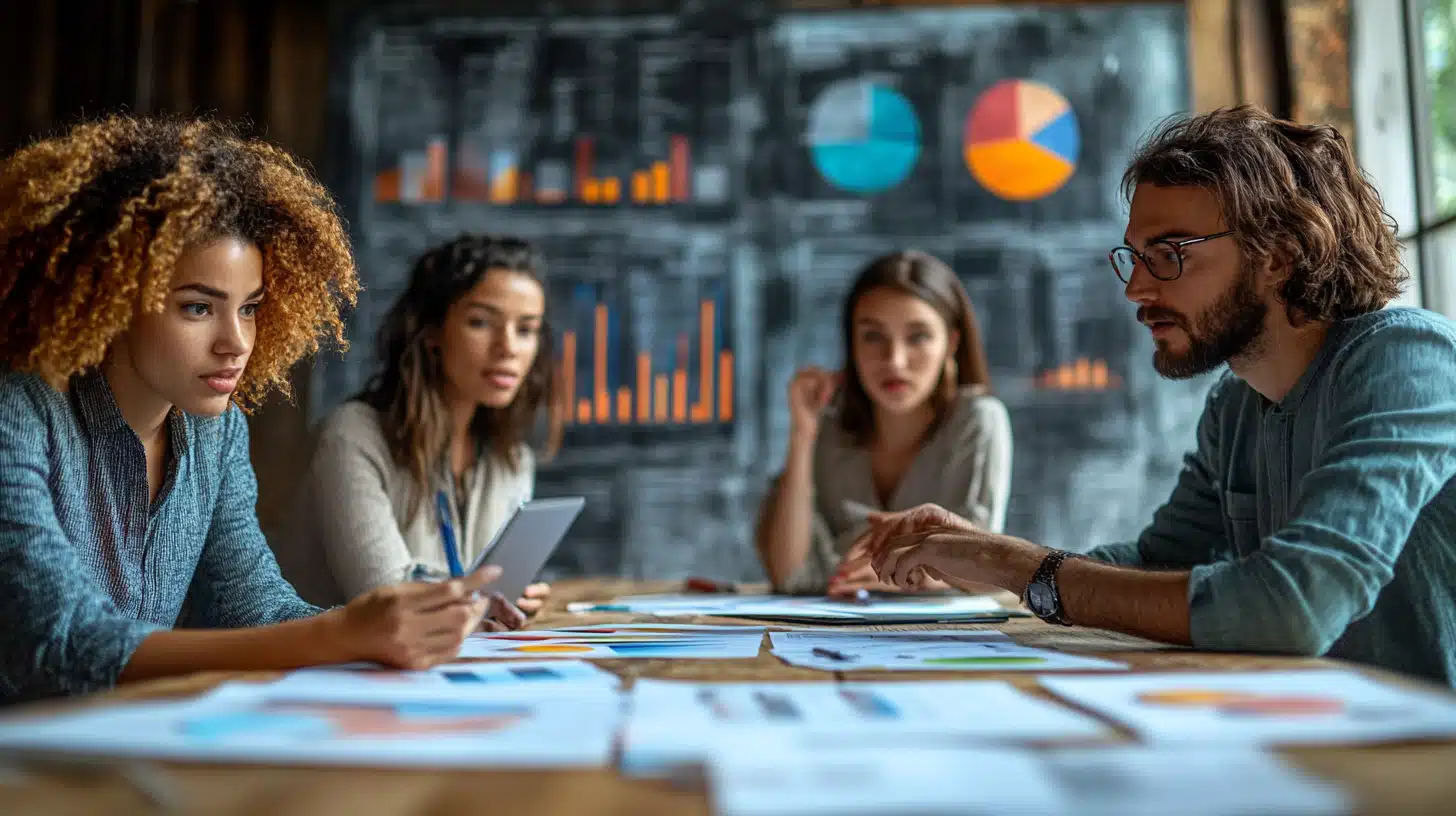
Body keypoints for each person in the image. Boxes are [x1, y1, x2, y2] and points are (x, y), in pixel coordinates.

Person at [853, 105, 1456, 685]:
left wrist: (1019, 568)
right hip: (1322, 744)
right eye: (1135, 258)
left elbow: (1295, 606)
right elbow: (1159, 565)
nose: (1136, 289)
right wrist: (983, 556)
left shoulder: (1408, 361)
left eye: (1168, 255)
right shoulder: (1235, 404)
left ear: (1278, 256)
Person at [0, 114, 525, 705]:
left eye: (249, 308)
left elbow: (251, 607)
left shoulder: (215, 433)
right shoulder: (19, 413)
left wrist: (409, 619)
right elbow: (65, 640)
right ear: (110, 299)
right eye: (198, 308)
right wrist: (340, 634)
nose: (237, 342)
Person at [275, 235, 560, 612]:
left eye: (526, 330)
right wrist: (482, 600)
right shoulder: (352, 436)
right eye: (481, 322)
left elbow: (486, 597)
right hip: (327, 664)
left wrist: (509, 602)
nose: (508, 347)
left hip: (435, 662)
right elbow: (383, 598)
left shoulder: (512, 459)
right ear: (431, 333)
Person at [754, 249, 1012, 597]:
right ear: (852, 344)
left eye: (918, 336)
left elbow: (987, 572)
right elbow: (789, 575)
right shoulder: (828, 427)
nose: (894, 360)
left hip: (943, 636)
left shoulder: (978, 422)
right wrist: (803, 433)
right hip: (831, 631)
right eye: (873, 336)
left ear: (950, 343)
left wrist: (915, 576)